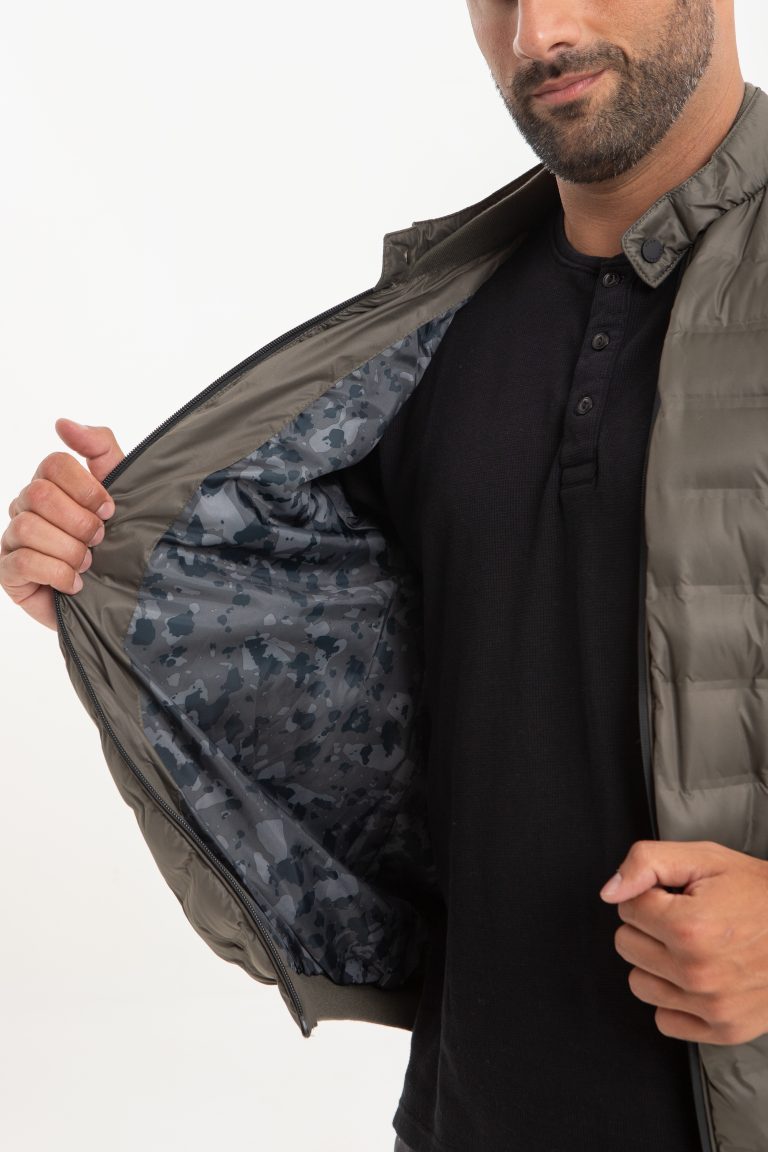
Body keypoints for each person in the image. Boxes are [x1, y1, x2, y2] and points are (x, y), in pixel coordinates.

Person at [2, 1, 767, 1149]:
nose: (536, 32)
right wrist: (123, 566)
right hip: (466, 1110)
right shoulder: (439, 329)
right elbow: (347, 665)